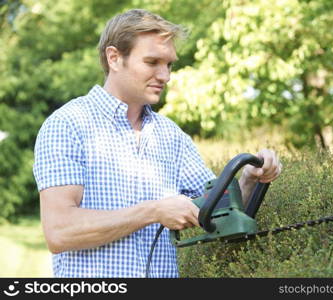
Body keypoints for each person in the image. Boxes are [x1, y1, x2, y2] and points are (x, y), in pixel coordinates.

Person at [33, 9, 282, 278]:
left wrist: (248, 179)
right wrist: (153, 212)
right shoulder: (68, 124)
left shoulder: (170, 135)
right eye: (152, 62)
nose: (165, 76)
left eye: (169, 64)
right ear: (114, 58)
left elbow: (217, 212)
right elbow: (60, 231)